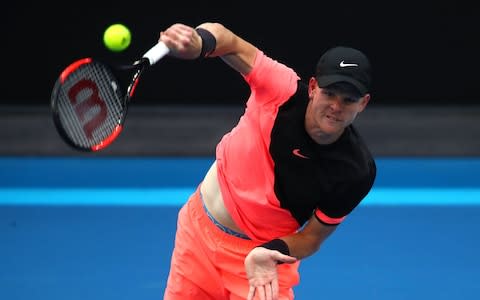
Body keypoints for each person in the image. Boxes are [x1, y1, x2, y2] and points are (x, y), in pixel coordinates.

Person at [159, 22, 376, 300]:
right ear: (312, 87)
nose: (335, 106)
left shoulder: (355, 171)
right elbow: (228, 40)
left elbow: (312, 238)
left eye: (348, 100)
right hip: (197, 237)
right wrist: (198, 42)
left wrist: (270, 251)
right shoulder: (280, 90)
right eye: (329, 93)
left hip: (259, 265)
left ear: (363, 103)